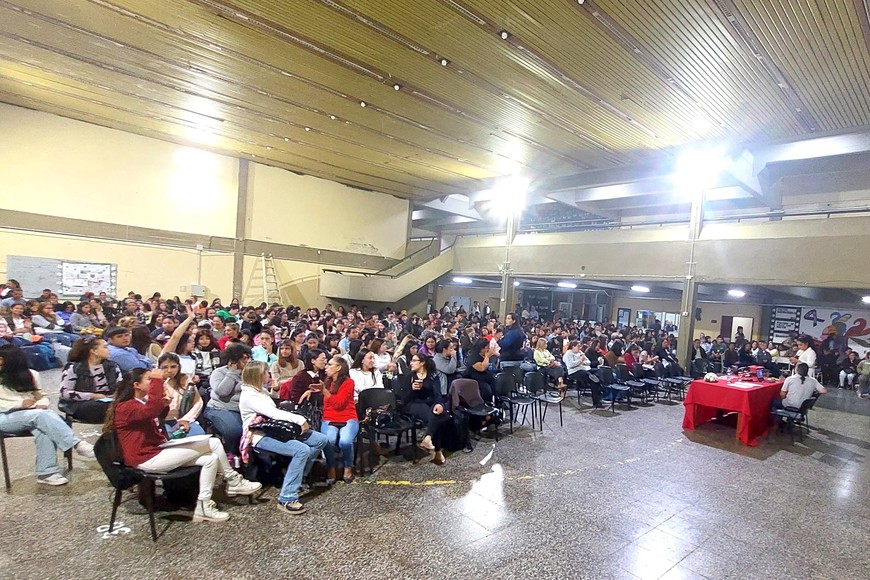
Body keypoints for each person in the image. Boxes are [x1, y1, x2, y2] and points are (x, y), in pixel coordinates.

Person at [108, 368, 261, 522]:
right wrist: (157, 382)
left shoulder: (139, 403)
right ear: (137, 385)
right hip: (145, 458)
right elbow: (149, 412)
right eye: (148, 379)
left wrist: (163, 405)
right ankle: (233, 480)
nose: (152, 381)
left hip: (155, 450)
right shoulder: (125, 407)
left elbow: (152, 417)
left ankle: (204, 506)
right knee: (213, 442)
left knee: (210, 459)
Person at [238, 361, 328, 515]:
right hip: (259, 435)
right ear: (258, 375)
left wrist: (274, 389)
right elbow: (273, 413)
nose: (269, 375)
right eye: (266, 372)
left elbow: (274, 407)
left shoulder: (260, 391)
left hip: (275, 429)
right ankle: (287, 497)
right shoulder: (249, 395)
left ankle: (298, 475)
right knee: (302, 450)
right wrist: (300, 421)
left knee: (320, 439)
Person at [0, 344, 95, 486]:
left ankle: (46, 473)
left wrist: (42, 402)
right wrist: (19, 404)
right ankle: (77, 444)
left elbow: (41, 396)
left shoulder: (31, 374)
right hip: (5, 416)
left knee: (43, 426)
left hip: (31, 413)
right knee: (41, 416)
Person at [401, 353, 450, 465]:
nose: (411, 363)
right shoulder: (410, 376)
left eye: (414, 360)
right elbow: (404, 399)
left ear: (422, 363)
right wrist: (413, 390)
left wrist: (439, 404)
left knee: (438, 412)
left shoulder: (433, 375)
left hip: (430, 403)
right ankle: (437, 451)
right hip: (414, 404)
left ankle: (428, 438)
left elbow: (438, 394)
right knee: (436, 416)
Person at [58, 336, 122, 423]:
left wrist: (117, 394)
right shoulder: (74, 368)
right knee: (103, 407)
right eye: (105, 347)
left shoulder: (113, 366)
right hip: (83, 403)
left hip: (109, 399)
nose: (109, 350)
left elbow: (121, 385)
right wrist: (92, 396)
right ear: (94, 351)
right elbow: (65, 393)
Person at [317, 356, 358, 484]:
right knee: (329, 440)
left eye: (330, 365)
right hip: (329, 418)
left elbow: (339, 404)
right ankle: (331, 466)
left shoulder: (348, 382)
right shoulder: (327, 381)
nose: (326, 367)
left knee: (345, 442)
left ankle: (347, 466)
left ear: (338, 368)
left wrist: (324, 391)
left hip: (348, 417)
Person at [203, 343, 251, 455]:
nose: (247, 362)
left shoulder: (249, 373)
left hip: (244, 409)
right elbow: (222, 392)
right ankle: (230, 456)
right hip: (220, 408)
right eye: (244, 359)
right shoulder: (219, 372)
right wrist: (232, 372)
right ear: (234, 360)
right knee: (235, 431)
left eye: (248, 358)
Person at [158, 352, 206, 437]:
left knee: (199, 435)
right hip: (162, 421)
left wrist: (186, 419)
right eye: (165, 367)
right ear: (159, 368)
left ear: (178, 367)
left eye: (173, 367)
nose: (169, 370)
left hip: (183, 418)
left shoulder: (185, 379)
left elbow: (198, 402)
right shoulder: (154, 383)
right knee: (170, 438)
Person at [563, 340, 603, 408]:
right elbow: (570, 365)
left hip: (585, 368)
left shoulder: (580, 352)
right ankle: (597, 402)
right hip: (575, 371)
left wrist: (583, 361)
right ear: (573, 346)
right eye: (578, 346)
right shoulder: (568, 354)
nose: (580, 348)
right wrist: (580, 360)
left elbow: (588, 362)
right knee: (593, 380)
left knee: (599, 371)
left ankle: (595, 377)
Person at [463, 338, 495, 402]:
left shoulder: (485, 355)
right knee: (486, 389)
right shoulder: (473, 357)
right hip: (475, 379)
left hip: (487, 377)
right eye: (486, 348)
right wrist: (487, 357)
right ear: (480, 348)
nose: (487, 350)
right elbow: (482, 368)